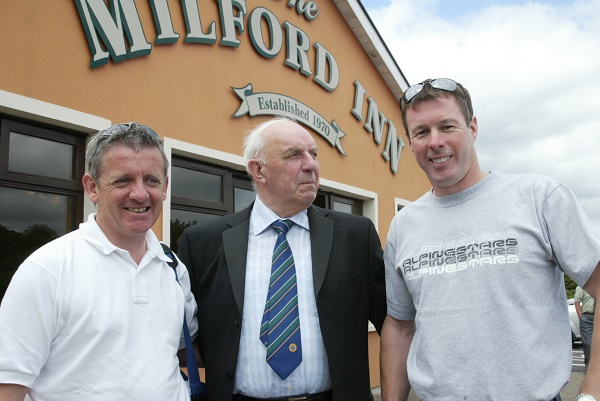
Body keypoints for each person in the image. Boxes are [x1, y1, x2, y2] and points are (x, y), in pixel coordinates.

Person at [380, 78, 600, 401]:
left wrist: (591, 393)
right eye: (422, 132)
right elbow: (399, 326)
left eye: (447, 126)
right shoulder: (403, 227)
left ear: (472, 128)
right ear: (410, 142)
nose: (435, 142)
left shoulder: (541, 198)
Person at [177, 117, 387, 401]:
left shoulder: (355, 236)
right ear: (258, 170)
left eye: (313, 154)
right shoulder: (202, 242)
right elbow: (182, 337)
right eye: (294, 155)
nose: (311, 164)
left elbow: (395, 324)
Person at [0, 122, 198, 401]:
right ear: (92, 187)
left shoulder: (173, 267)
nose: (140, 193)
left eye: (151, 180)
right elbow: (8, 385)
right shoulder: (48, 269)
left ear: (165, 187)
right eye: (123, 180)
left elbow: (171, 351)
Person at [575, 285, 596, 374]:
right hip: (587, 317)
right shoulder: (583, 286)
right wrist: (581, 317)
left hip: (598, 317)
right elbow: (577, 302)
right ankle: (588, 364)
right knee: (588, 343)